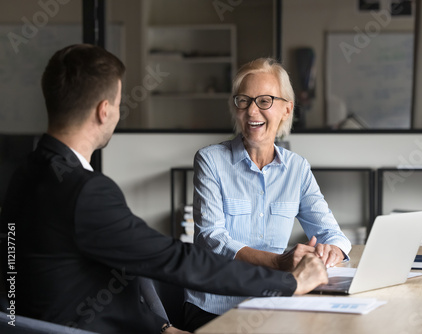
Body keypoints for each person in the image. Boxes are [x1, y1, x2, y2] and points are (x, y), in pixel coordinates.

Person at [0, 45, 329, 334]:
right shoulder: (86, 192)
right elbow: (175, 260)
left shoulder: (25, 174)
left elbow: (95, 279)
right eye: (118, 102)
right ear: (104, 111)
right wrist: (290, 282)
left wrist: (161, 327)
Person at [184, 58, 352, 331]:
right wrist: (279, 262)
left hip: (274, 303)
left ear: (287, 109)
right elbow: (211, 239)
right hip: (214, 307)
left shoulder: (297, 168)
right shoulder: (210, 161)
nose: (252, 111)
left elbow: (333, 235)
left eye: (264, 101)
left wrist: (330, 251)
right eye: (244, 100)